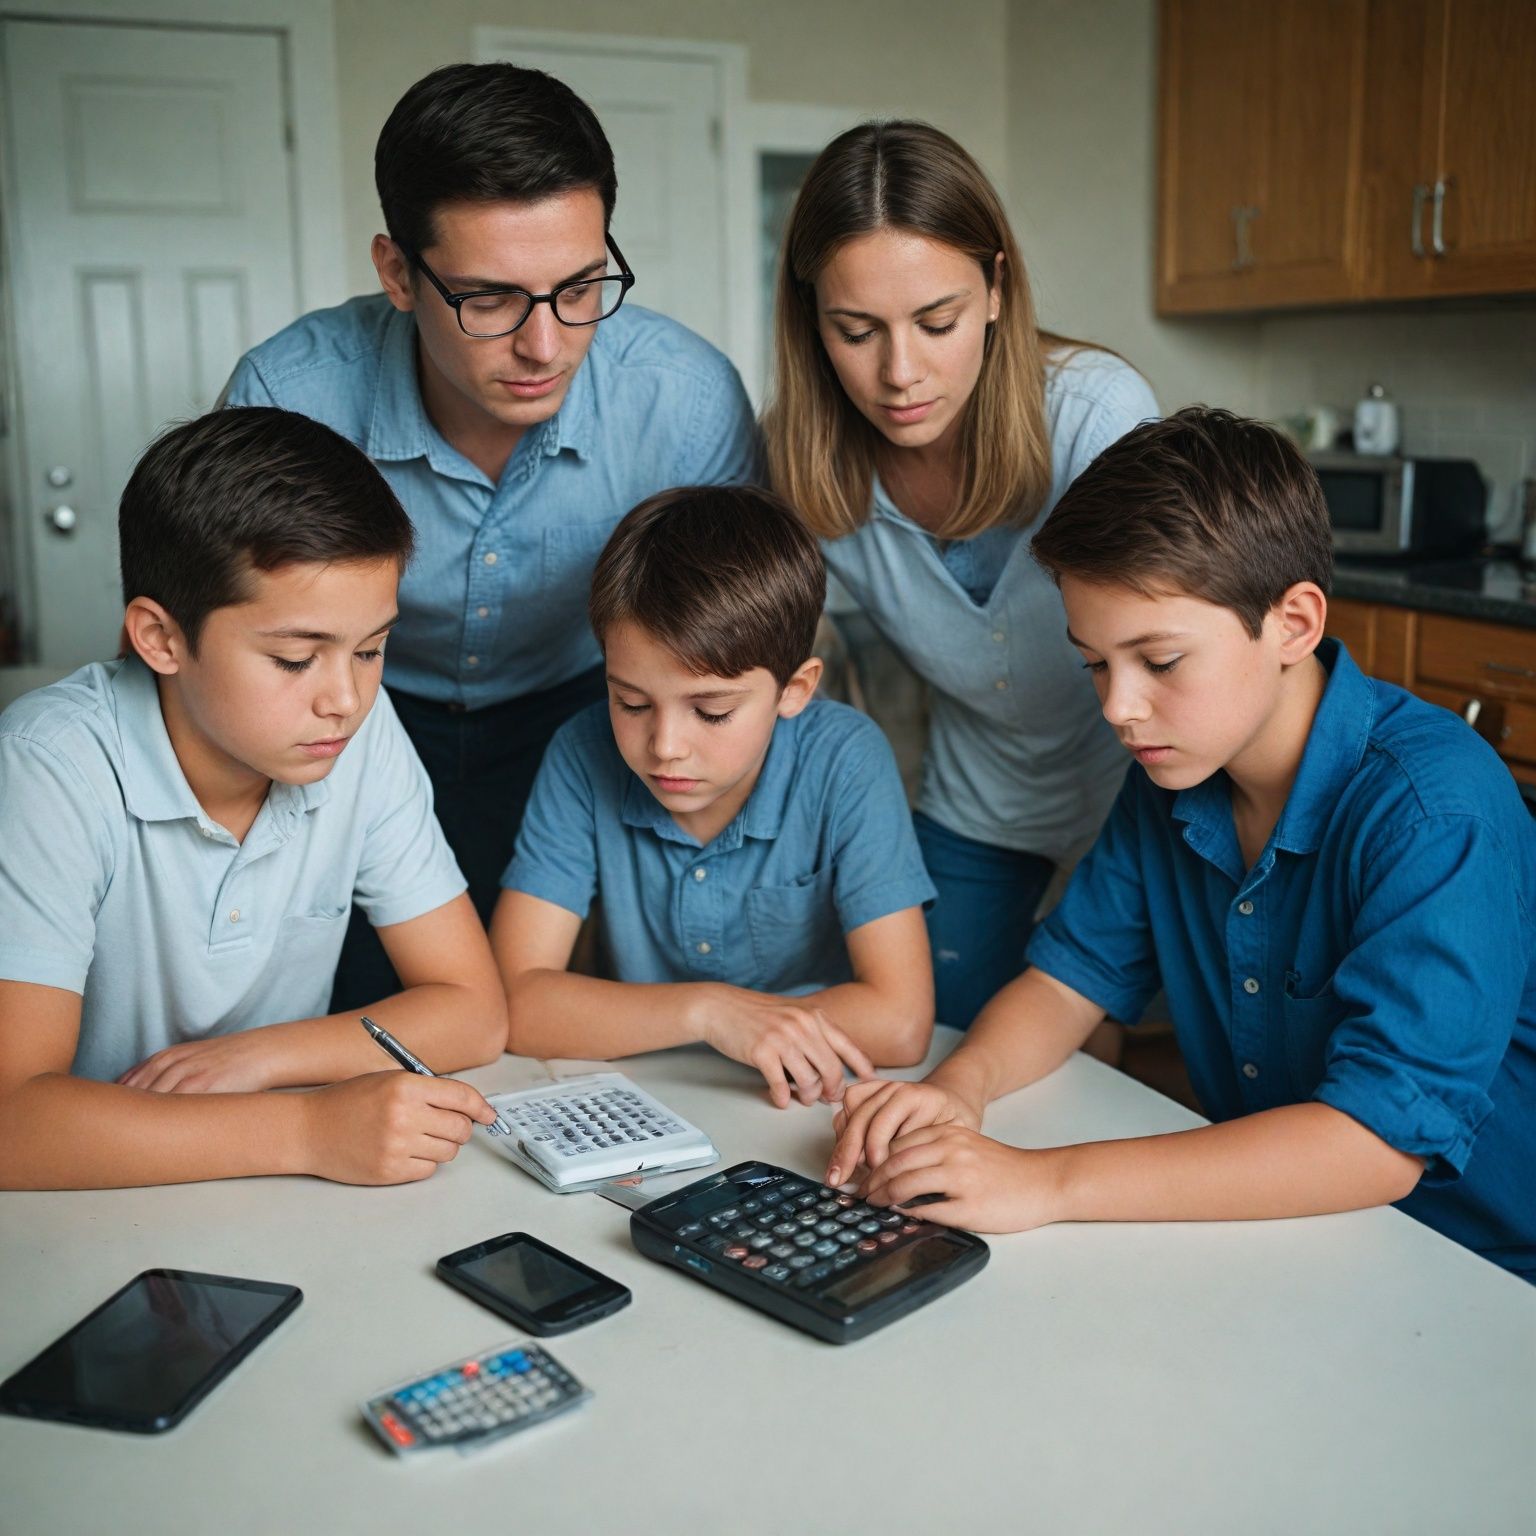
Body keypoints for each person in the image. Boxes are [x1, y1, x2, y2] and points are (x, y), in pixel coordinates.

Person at [825, 407, 1536, 1283]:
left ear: (1294, 623)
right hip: (1282, 1225)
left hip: (1474, 1266)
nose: (1118, 708)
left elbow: (1375, 1148)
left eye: (1159, 662)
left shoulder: (1434, 809)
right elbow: (1064, 983)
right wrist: (956, 1091)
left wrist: (1047, 1180)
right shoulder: (1175, 770)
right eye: (1096, 663)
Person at [223, 62, 759, 1007]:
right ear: (397, 272)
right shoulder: (290, 394)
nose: (545, 345)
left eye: (582, 286)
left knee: (551, 1016)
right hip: (349, 719)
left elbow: (738, 643)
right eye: (490, 299)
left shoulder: (684, 400)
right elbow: (207, 650)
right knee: (351, 1002)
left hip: (580, 714)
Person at [0, 408, 507, 1189]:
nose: (345, 698)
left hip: (265, 1198)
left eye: (371, 650)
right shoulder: (50, 765)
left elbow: (474, 1010)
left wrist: (262, 1056)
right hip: (89, 1203)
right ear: (161, 639)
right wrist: (308, 1129)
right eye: (296, 659)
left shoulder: (358, 739)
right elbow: (12, 1121)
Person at [764, 120, 1159, 1029]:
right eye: (856, 331)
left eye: (935, 322)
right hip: (982, 794)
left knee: (1145, 1053)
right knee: (943, 1034)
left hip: (1142, 783)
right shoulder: (798, 458)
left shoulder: (1094, 415)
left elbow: (1173, 633)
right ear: (811, 320)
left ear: (995, 287)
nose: (901, 374)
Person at [491, 485, 937, 1108]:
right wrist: (710, 1013)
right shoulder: (579, 750)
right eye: (632, 702)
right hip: (644, 1099)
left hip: (807, 1103)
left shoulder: (844, 758)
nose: (665, 746)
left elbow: (900, 1022)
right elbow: (512, 1005)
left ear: (795, 689)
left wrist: (725, 1024)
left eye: (712, 711)